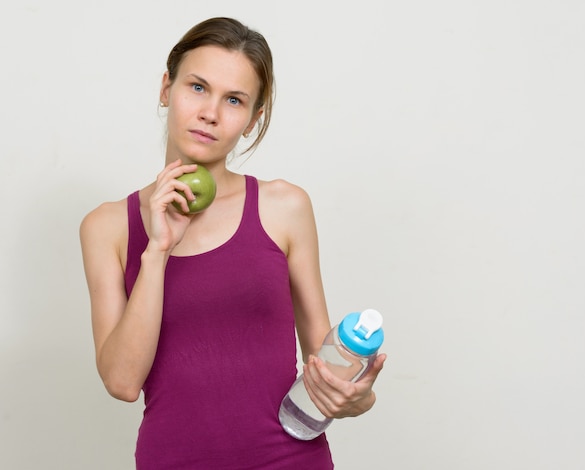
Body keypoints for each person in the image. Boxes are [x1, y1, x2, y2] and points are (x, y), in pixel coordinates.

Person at [79, 17, 386, 469]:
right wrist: (157, 251)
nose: (210, 113)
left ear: (251, 120)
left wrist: (356, 398)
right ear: (167, 88)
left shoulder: (285, 207)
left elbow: (324, 365)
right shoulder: (107, 227)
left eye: (234, 100)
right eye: (197, 87)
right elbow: (123, 383)